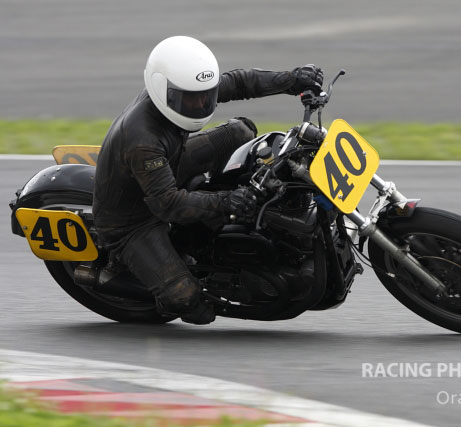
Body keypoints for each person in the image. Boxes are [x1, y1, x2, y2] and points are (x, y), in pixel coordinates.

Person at [92, 36, 323, 325]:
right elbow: (167, 205)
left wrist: (292, 80)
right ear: (164, 91)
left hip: (169, 165)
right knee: (190, 302)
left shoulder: (183, 89)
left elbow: (240, 83)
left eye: (206, 94)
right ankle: (157, 278)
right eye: (192, 98)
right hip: (132, 220)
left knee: (240, 131)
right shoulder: (143, 141)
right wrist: (227, 201)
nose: (201, 102)